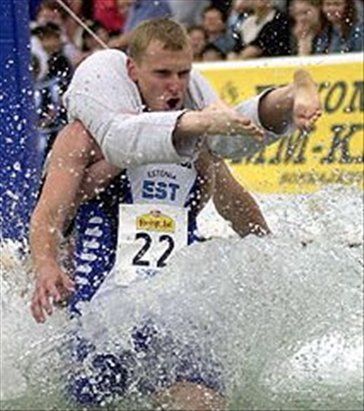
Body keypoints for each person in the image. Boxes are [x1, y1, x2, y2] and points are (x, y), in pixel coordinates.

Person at [30, 18, 321, 410]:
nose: (175, 86)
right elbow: (48, 214)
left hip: (175, 308)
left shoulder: (196, 139)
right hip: (103, 314)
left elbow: (233, 202)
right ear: (133, 72)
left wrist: (268, 251)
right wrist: (46, 265)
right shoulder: (86, 136)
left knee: (203, 403)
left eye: (183, 73)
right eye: (162, 73)